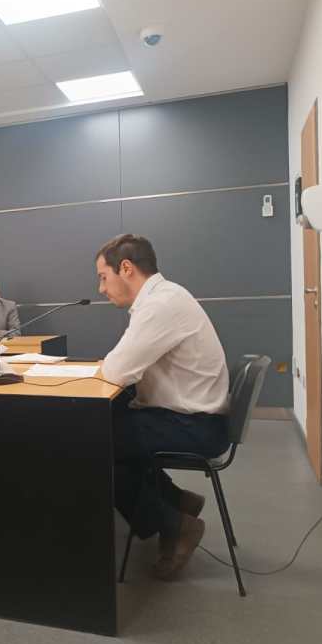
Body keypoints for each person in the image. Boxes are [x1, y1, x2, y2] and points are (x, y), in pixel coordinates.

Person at [96, 234, 230, 581]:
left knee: (92, 443)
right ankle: (174, 501)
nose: (101, 288)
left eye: (103, 277)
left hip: (195, 426)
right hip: (193, 417)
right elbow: (122, 365)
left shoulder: (160, 306)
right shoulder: (164, 298)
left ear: (126, 268)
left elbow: (116, 370)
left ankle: (176, 524)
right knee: (106, 425)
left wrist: (108, 366)